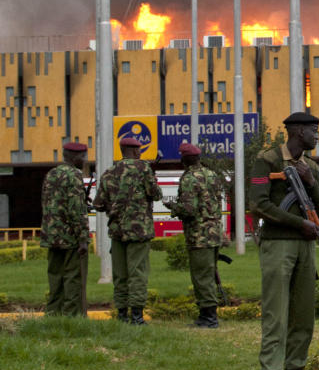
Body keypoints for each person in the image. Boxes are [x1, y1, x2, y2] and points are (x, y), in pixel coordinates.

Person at [249, 112, 319, 370]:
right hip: (278, 245)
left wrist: (313, 185)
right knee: (275, 317)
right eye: (313, 130)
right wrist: (299, 224)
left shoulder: (310, 166)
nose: (316, 135)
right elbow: (258, 204)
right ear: (296, 131)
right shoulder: (267, 160)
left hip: (306, 247)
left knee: (303, 317)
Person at [92, 136, 162, 325]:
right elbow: (156, 194)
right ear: (135, 150)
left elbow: (98, 204)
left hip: (117, 232)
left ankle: (122, 315)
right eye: (139, 149)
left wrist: (113, 208)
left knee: (120, 275)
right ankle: (137, 317)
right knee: (137, 273)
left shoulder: (109, 172)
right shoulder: (143, 169)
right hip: (139, 232)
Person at [164, 142, 226, 329]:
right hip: (214, 232)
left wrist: (173, 207)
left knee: (201, 276)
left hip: (199, 235)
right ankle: (208, 315)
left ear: (185, 159)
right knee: (209, 273)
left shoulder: (189, 178)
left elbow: (189, 209)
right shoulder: (211, 174)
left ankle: (208, 318)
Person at [41, 141, 90, 317]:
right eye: (83, 157)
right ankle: (72, 316)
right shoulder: (74, 176)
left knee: (55, 277)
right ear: (75, 157)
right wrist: (83, 239)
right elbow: (76, 210)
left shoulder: (51, 174)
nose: (84, 160)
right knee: (73, 278)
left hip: (51, 236)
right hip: (70, 238)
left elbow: (47, 204)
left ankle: (53, 314)